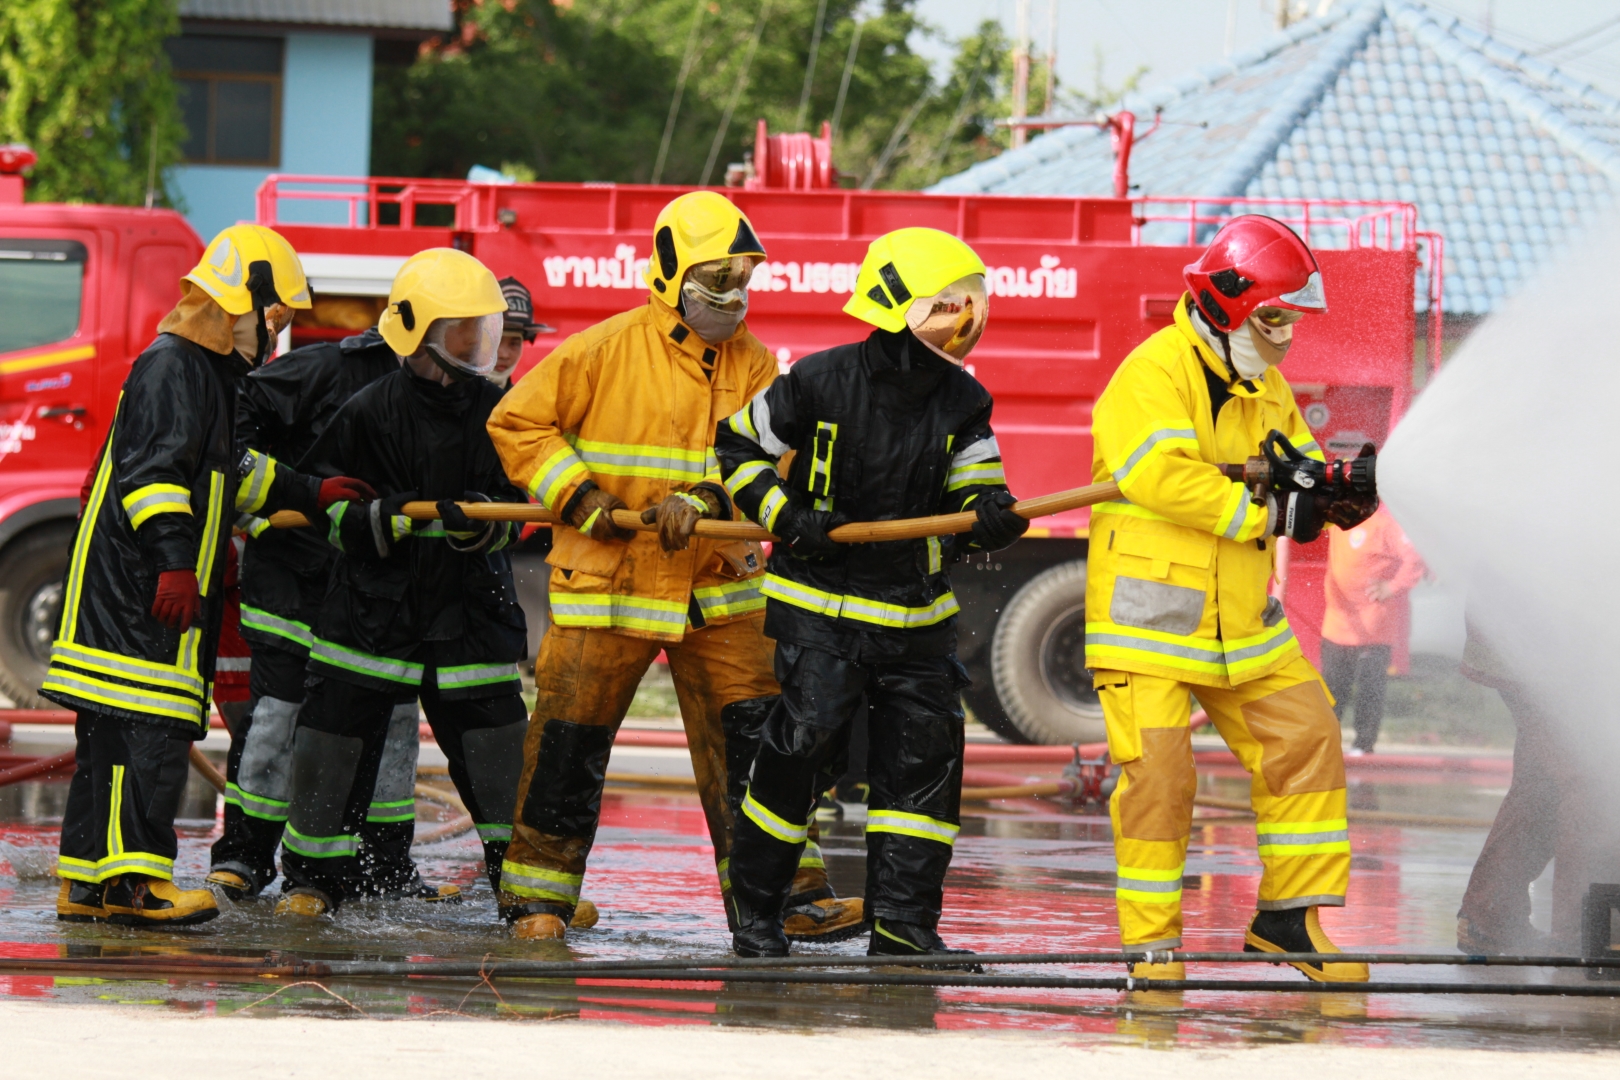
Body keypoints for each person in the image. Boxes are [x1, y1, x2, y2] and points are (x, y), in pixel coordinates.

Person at [486, 191, 864, 943]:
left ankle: (785, 897)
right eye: (716, 280)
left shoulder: (755, 364)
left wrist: (707, 492)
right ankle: (537, 903)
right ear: (670, 272)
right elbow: (517, 421)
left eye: (740, 281)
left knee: (760, 747)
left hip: (719, 591)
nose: (732, 296)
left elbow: (769, 455)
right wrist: (578, 493)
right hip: (609, 583)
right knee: (569, 742)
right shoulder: (605, 349)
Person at [716, 226, 1027, 959]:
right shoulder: (817, 381)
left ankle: (904, 930)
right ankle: (757, 921)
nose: (967, 322)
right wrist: (787, 517)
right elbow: (736, 448)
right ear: (896, 308)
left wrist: (988, 521)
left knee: (923, 767)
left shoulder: (964, 401)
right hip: (821, 612)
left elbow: (975, 493)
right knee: (798, 753)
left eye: (971, 306)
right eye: (950, 307)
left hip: (916, 617)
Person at [47, 225, 371, 927]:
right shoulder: (177, 368)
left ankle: (87, 883)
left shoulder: (206, 373)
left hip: (135, 592)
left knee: (112, 740)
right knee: (148, 733)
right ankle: (137, 886)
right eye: (275, 314)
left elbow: (233, 476)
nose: (278, 330)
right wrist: (171, 563)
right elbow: (154, 475)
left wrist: (308, 491)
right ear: (243, 302)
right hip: (140, 595)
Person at [1085, 215, 1376, 983]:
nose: (1284, 335)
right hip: (1148, 625)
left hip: (1241, 625)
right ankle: (1152, 948)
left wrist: (1336, 497)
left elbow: (1299, 467)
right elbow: (1157, 473)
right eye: (1274, 317)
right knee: (1160, 778)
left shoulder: (1262, 385)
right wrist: (1268, 511)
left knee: (1308, 735)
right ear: (1226, 301)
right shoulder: (1152, 373)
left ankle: (1288, 920)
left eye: (1291, 320)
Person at [270, 248, 538, 918]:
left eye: (481, 330)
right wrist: (371, 523)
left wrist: (485, 527)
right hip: (372, 610)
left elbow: (522, 504)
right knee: (332, 742)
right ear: (417, 332)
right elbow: (319, 508)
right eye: (463, 331)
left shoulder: (498, 412)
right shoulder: (367, 410)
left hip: (468, 609)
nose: (479, 347)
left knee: (498, 749)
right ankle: (313, 882)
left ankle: (528, 891)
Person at [206, 325, 421, 901]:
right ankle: (245, 858)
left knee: (392, 728)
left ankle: (383, 870)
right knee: (278, 719)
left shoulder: (447, 391)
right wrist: (267, 501)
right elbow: (229, 421)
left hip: (380, 591)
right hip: (294, 581)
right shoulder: (327, 368)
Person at [1318, 505, 1426, 755]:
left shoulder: (1384, 524)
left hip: (1375, 627)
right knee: (1332, 689)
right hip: (1336, 623)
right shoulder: (1335, 519)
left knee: (1369, 689)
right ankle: (1325, 745)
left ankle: (1363, 746)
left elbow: (1415, 557)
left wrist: (1393, 586)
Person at [490, 277, 554, 389]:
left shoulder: (522, 403)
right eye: (496, 342)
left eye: (514, 344)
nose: (504, 355)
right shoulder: (453, 400)